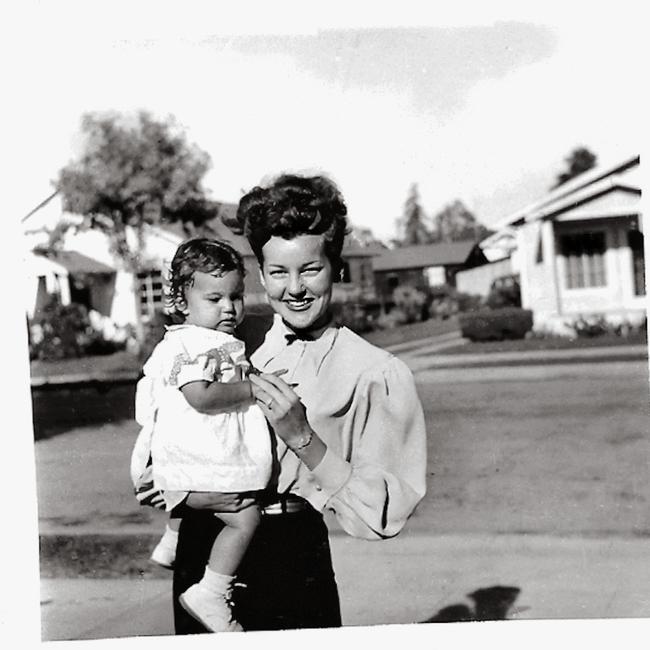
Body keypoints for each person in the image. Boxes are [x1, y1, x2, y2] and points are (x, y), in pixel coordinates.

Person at [170, 173, 428, 633]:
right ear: (261, 272)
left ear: (337, 266)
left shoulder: (374, 372)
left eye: (310, 269)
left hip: (289, 554)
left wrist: (303, 438)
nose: (294, 288)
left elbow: (380, 516)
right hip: (205, 546)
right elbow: (163, 423)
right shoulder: (223, 337)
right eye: (277, 272)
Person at [131, 238, 277, 632]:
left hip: (188, 457)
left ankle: (172, 539)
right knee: (245, 518)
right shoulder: (194, 344)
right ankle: (211, 591)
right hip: (199, 457)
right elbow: (201, 396)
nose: (229, 308)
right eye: (215, 299)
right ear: (182, 301)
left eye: (236, 296)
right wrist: (252, 388)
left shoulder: (200, 340)